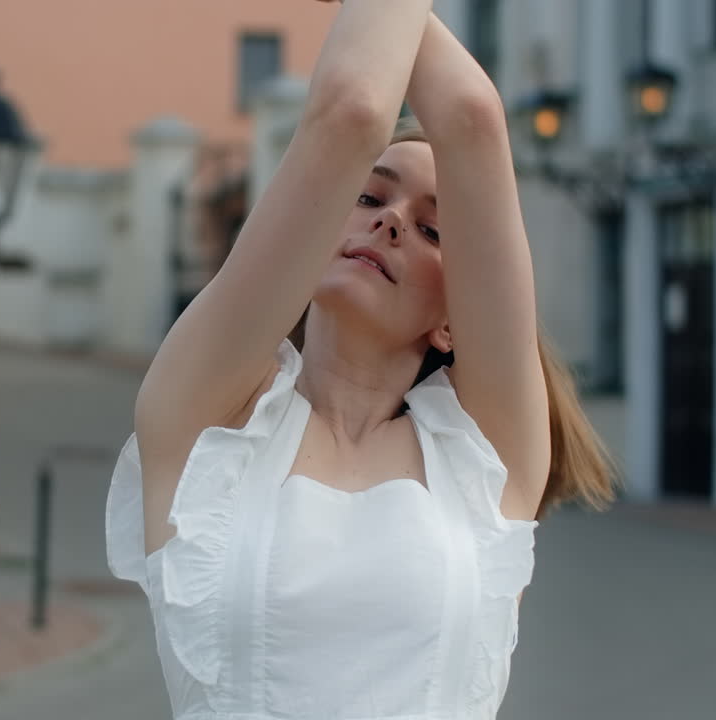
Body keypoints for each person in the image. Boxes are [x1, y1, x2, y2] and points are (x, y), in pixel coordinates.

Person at [106, 2, 616, 717]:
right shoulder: (205, 422)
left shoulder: (486, 460)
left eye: (433, 227)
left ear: (452, 321)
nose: (392, 220)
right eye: (368, 194)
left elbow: (472, 117)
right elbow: (353, 111)